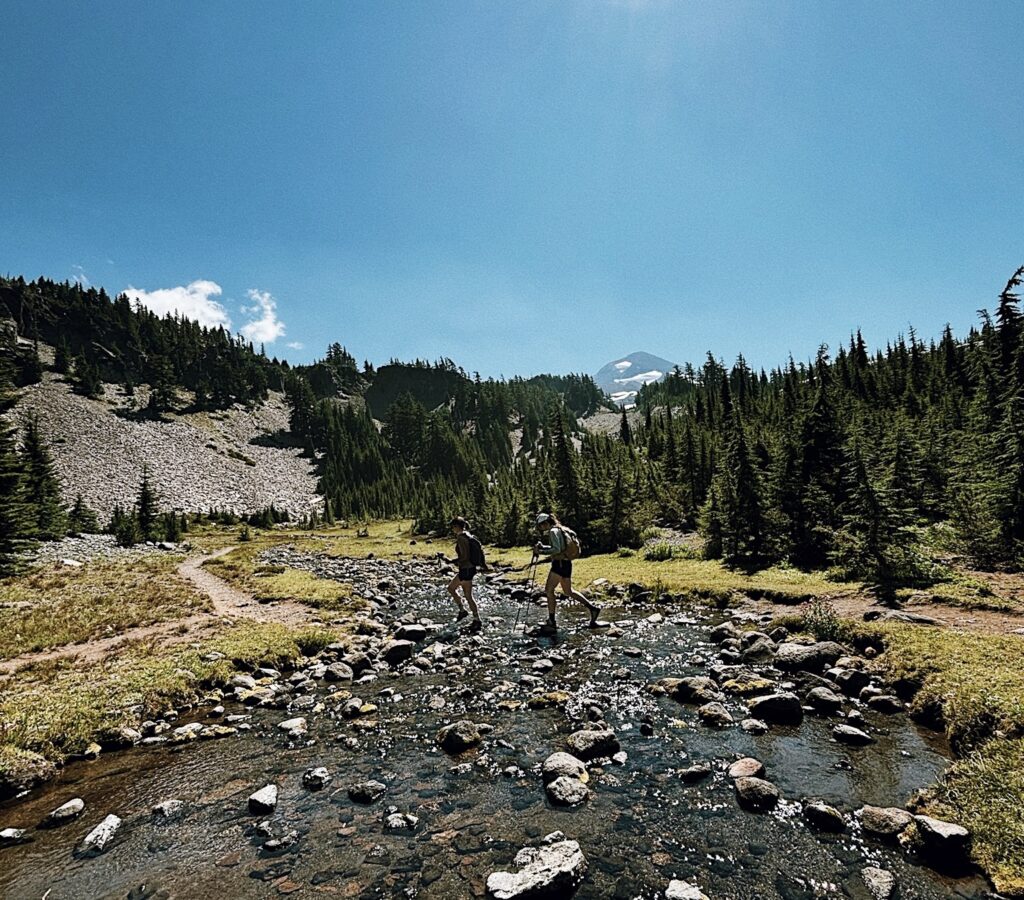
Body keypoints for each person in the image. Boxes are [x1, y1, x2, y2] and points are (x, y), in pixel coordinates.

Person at [533, 513, 602, 632]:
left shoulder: (553, 531)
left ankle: (552, 621)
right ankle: (592, 608)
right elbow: (560, 546)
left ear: (545, 523)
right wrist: (543, 547)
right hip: (566, 564)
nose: (540, 528)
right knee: (568, 591)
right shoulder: (560, 529)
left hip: (558, 564)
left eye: (540, 526)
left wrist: (540, 552)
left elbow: (557, 549)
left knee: (549, 590)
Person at [446, 516, 482, 630]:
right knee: (459, 591)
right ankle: (470, 615)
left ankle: (470, 615)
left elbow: (464, 556)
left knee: (454, 590)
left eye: (453, 527)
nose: (452, 529)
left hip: (465, 569)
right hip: (470, 569)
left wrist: (451, 561)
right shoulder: (469, 535)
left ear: (457, 527)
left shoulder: (461, 537)